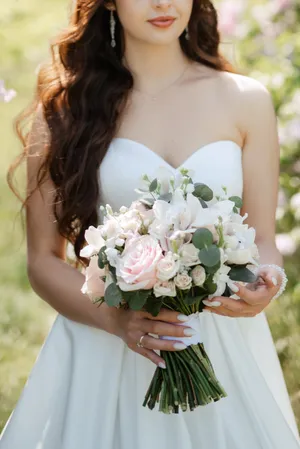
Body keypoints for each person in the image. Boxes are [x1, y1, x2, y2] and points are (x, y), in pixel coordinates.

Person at [1, 0, 299, 448]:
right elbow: (43, 262)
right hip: (106, 343)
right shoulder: (66, 108)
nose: (163, 3)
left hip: (222, 344)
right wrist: (120, 322)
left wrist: (267, 281)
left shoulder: (245, 100)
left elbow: (262, 242)